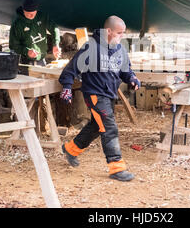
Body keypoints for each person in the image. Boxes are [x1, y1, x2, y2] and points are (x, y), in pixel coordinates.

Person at [58, 15, 141, 182]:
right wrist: (66, 87)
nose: (122, 36)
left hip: (109, 94)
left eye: (123, 33)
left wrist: (132, 79)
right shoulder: (91, 47)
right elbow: (70, 70)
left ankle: (71, 149)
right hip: (95, 94)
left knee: (97, 126)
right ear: (108, 31)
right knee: (109, 128)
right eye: (119, 33)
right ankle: (116, 168)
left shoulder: (120, 49)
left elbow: (126, 70)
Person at [9, 0, 60, 66]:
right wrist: (27, 51)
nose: (31, 15)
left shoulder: (42, 17)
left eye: (34, 13)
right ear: (23, 11)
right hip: (25, 62)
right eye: (28, 13)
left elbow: (55, 28)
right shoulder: (17, 24)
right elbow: (13, 46)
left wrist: (56, 44)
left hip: (41, 60)